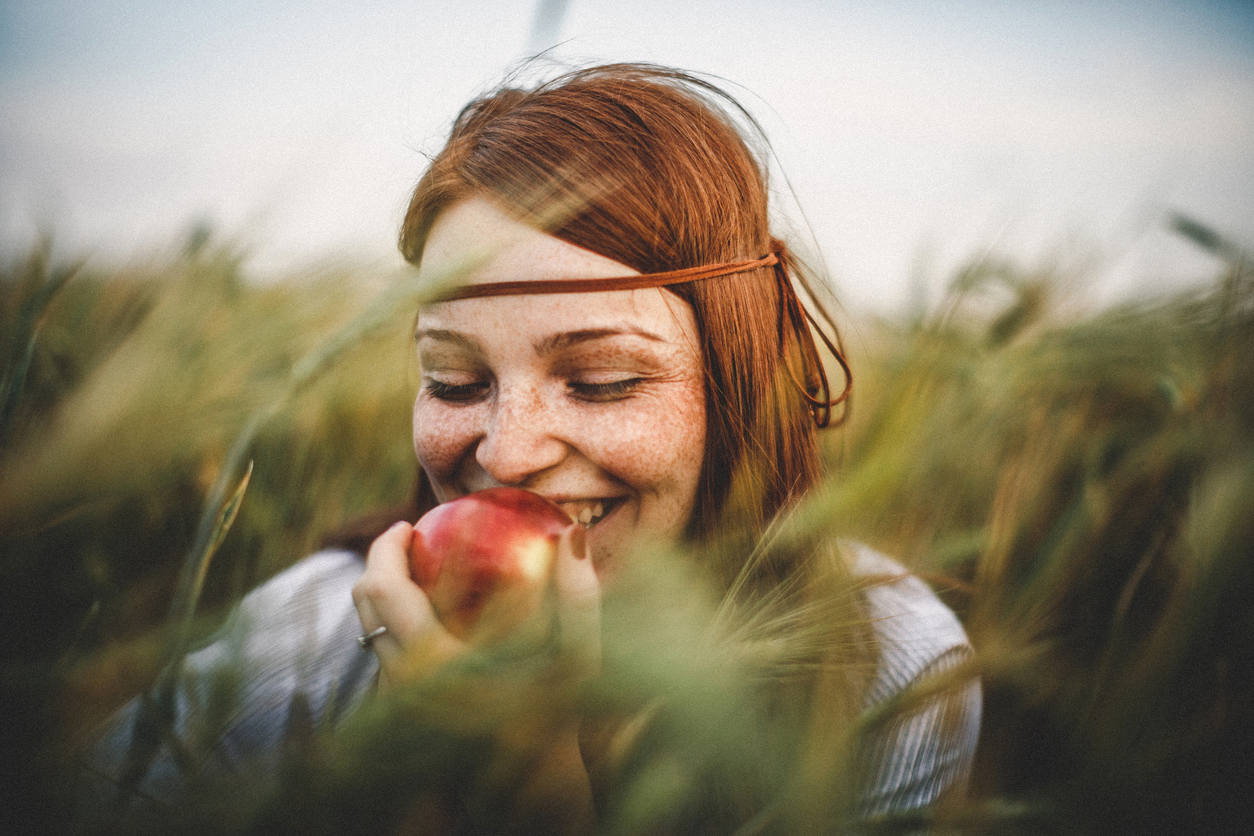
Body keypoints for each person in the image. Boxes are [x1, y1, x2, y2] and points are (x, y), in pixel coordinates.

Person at [80, 63, 980, 833]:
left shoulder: (881, 672)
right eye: (455, 380)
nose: (507, 457)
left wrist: (532, 799)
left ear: (738, 386)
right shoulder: (301, 649)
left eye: (602, 382)